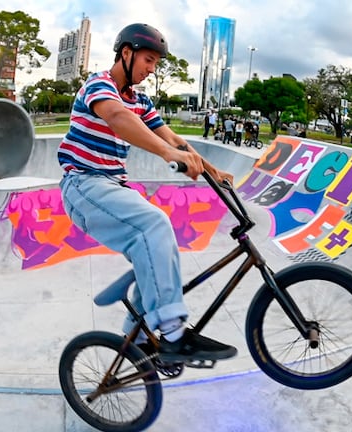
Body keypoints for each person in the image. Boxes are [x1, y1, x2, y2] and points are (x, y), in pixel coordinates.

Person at [58, 23, 237, 363]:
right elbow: (116, 116)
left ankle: (137, 336)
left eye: (155, 63)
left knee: (157, 247)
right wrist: (168, 155)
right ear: (126, 53)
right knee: (153, 224)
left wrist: (213, 170)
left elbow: (174, 139)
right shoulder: (99, 85)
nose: (151, 70)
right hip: (84, 184)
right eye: (148, 60)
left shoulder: (140, 100)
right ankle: (172, 333)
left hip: (113, 187)